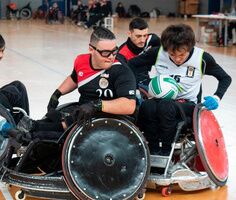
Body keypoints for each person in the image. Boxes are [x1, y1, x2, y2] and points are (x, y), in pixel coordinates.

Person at [15, 27, 137, 142]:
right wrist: (57, 94)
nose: (111, 57)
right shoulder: (81, 61)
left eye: (114, 51)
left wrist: (97, 105)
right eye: (105, 52)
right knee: (53, 117)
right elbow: (75, 78)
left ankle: (32, 133)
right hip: (82, 113)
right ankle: (31, 128)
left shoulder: (122, 71)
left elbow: (129, 105)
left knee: (53, 133)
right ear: (91, 49)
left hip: (106, 119)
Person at [128, 24, 232, 155]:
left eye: (181, 55)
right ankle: (152, 149)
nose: (177, 59)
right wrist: (139, 85)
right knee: (147, 106)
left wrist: (217, 97)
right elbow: (131, 65)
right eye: (172, 54)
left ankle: (166, 150)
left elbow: (225, 78)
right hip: (161, 99)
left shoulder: (202, 58)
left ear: (190, 47)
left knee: (166, 106)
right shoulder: (158, 52)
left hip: (187, 104)